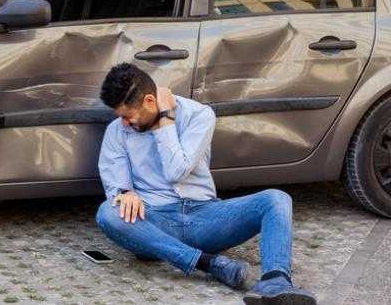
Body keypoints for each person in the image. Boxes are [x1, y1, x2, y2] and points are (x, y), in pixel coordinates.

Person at [95, 63, 317, 305]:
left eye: (127, 116)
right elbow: (115, 183)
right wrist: (125, 192)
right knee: (108, 212)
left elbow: (176, 171)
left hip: (204, 217)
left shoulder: (198, 115)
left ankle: (276, 283)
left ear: (150, 101)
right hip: (156, 225)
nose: (124, 123)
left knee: (276, 199)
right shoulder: (116, 132)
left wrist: (165, 119)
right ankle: (208, 263)